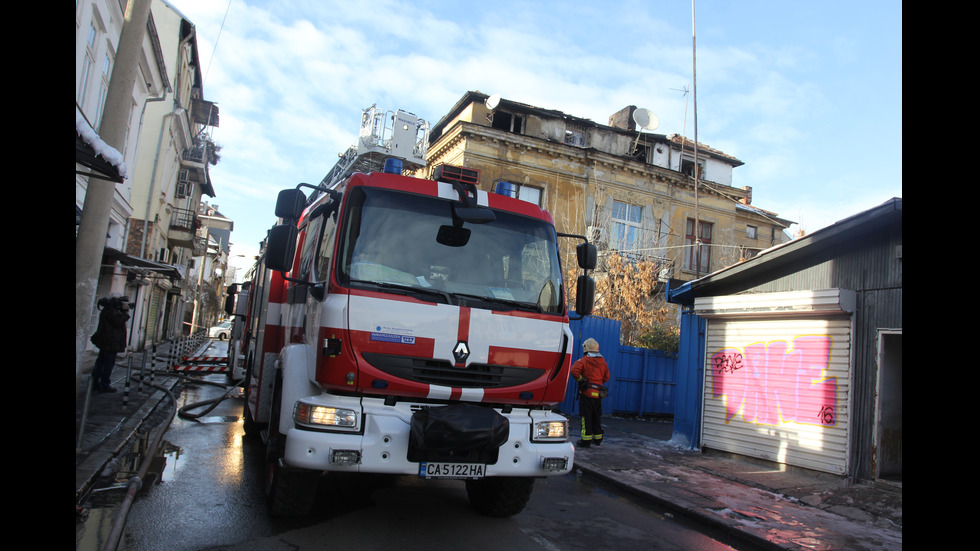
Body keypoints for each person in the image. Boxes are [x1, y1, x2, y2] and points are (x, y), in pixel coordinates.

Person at [570, 338, 610, 448]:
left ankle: (586, 440)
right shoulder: (603, 362)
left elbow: (574, 371)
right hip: (598, 395)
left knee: (586, 416)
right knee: (596, 416)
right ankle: (598, 439)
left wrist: (581, 380)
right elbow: (607, 377)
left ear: (585, 349)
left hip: (586, 394)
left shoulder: (584, 360)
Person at [90, 296, 131, 392]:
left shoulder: (107, 311)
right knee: (107, 364)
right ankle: (104, 384)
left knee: (101, 362)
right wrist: (125, 314)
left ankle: (95, 382)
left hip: (107, 342)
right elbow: (117, 322)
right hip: (111, 343)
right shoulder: (112, 311)